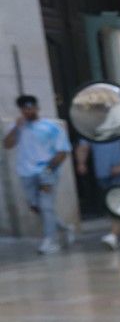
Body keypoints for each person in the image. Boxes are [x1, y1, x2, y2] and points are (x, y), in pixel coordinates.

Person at [6, 95, 71, 254]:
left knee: (47, 206)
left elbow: (63, 151)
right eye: (24, 109)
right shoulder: (17, 127)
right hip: (26, 173)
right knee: (36, 207)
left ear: (37, 108)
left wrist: (49, 170)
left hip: (46, 171)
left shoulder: (51, 127)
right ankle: (65, 228)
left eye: (30, 107)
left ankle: (50, 241)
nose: (28, 111)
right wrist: (16, 128)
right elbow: (7, 145)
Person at [80, 134, 120, 248]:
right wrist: (81, 163)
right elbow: (83, 147)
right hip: (103, 175)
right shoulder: (94, 131)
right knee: (113, 206)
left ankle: (115, 234)